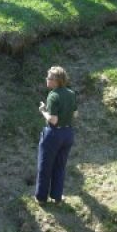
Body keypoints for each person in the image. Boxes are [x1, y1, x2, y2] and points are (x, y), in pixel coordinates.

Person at [35, 66, 77, 205]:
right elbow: (75, 114)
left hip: (54, 134)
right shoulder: (71, 93)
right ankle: (57, 197)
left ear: (57, 81)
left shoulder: (53, 95)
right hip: (68, 134)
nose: (47, 79)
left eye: (49, 78)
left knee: (45, 166)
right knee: (60, 166)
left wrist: (43, 111)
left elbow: (53, 119)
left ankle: (41, 198)